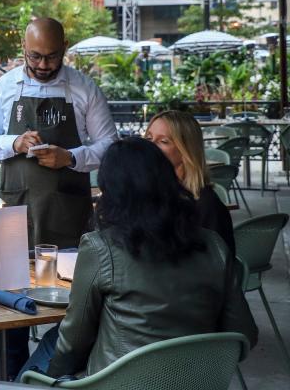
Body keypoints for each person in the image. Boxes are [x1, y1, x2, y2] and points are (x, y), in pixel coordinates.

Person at [18, 137, 257, 380]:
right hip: (198, 381)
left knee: (49, 347)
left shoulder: (100, 247)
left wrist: (52, 383)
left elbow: (73, 341)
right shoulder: (214, 245)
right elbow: (244, 333)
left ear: (109, 190)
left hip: (118, 384)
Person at [0, 18, 117, 249]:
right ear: (23, 47)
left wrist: (71, 158)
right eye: (35, 56)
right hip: (14, 204)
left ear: (65, 47)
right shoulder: (4, 86)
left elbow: (110, 145)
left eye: (51, 56)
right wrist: (15, 143)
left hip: (67, 209)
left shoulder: (85, 88)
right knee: (10, 277)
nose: (42, 64)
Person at [145, 110, 235, 253]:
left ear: (185, 150)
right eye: (149, 138)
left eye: (163, 141)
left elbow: (221, 266)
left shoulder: (205, 204)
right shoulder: (149, 194)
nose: (151, 146)